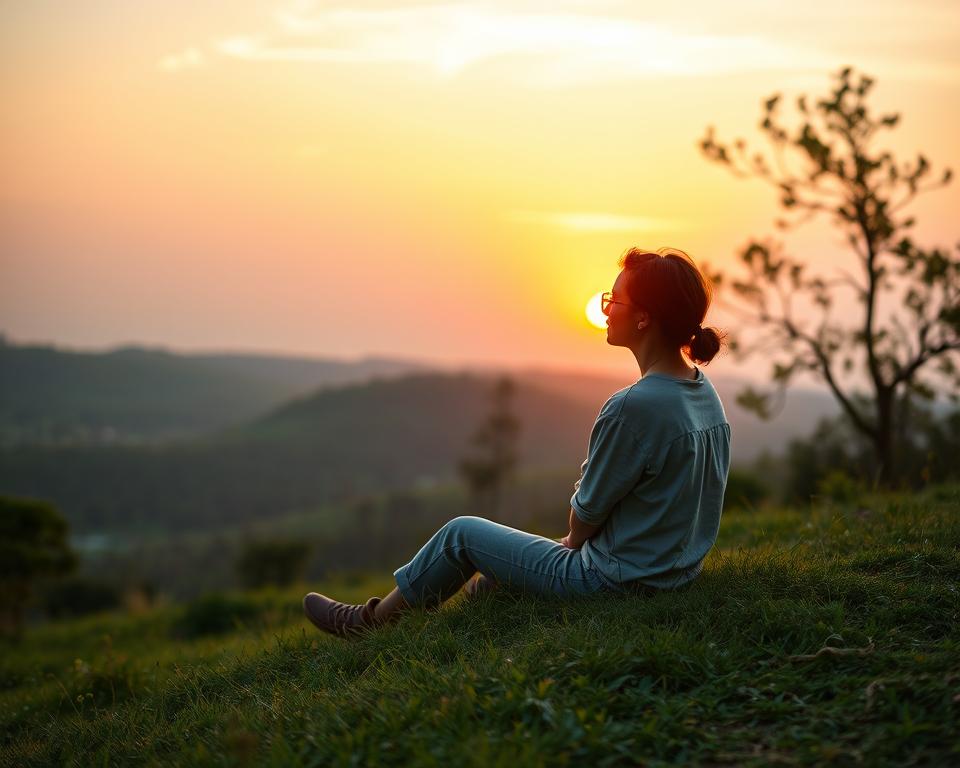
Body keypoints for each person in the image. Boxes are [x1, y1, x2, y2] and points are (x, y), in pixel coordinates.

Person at [303, 247, 731, 638]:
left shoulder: (633, 407)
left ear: (644, 318)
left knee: (462, 535)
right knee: (493, 580)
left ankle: (370, 623)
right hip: (674, 574)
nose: (606, 310)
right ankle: (489, 594)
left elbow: (584, 518)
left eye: (614, 300)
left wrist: (569, 546)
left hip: (614, 582)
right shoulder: (703, 393)